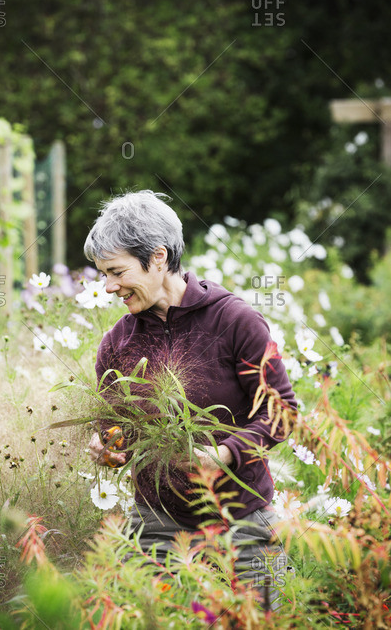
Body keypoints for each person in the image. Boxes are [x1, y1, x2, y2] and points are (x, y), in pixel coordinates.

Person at [85, 190, 297, 611]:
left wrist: (224, 453)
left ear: (158, 257)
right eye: (102, 275)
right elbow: (116, 428)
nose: (108, 287)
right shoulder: (117, 343)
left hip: (243, 520)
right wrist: (109, 446)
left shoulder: (236, 321)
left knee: (270, 617)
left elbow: (283, 412)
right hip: (156, 528)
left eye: (116, 272)